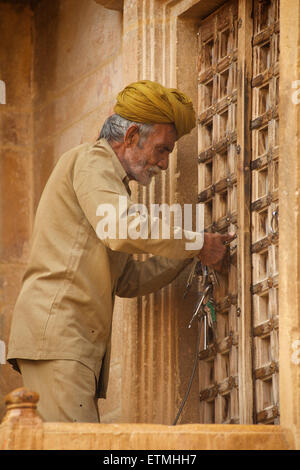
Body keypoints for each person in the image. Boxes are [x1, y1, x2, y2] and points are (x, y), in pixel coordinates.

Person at [7, 80, 234, 423]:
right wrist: (197, 242)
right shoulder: (91, 162)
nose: (164, 163)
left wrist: (191, 253)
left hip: (70, 344)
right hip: (59, 340)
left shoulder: (110, 185)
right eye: (162, 150)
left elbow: (127, 279)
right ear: (130, 137)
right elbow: (123, 229)